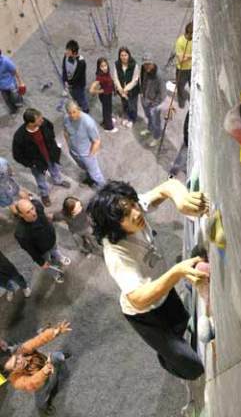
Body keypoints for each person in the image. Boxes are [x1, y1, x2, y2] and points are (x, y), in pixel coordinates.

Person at [90, 178, 209, 380]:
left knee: (183, 325)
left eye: (133, 205)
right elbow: (137, 298)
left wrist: (182, 199)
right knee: (192, 368)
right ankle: (165, 358)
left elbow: (166, 187)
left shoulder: (134, 211)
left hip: (161, 287)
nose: (136, 213)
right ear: (113, 225)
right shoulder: (116, 253)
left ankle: (173, 344)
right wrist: (176, 272)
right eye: (126, 214)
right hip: (144, 313)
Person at [4, 321, 72, 416]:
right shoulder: (15, 380)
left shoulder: (21, 350)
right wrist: (44, 371)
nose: (20, 361)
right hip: (40, 384)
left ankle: (61, 356)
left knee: (55, 356)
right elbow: (30, 383)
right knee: (41, 398)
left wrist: (56, 331)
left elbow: (38, 340)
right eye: (15, 365)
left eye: (17, 358)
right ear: (13, 371)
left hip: (47, 363)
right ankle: (43, 409)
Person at [12, 108, 70, 207]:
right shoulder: (20, 137)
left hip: (50, 155)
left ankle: (58, 181)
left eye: (41, 118)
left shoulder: (43, 122)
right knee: (40, 179)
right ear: (30, 123)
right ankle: (44, 194)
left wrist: (52, 144)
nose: (42, 120)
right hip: (37, 163)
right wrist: (31, 164)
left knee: (54, 169)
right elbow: (17, 155)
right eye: (39, 120)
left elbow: (50, 127)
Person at [14, 199, 71, 284]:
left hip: (51, 240)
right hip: (42, 251)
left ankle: (59, 257)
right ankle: (55, 274)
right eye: (28, 212)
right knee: (48, 265)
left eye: (32, 208)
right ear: (21, 215)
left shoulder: (37, 205)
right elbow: (31, 250)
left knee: (55, 250)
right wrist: (41, 262)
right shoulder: (21, 233)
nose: (33, 213)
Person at [64, 100, 105, 187]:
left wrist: (90, 156)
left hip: (86, 154)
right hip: (74, 152)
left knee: (96, 174)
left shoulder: (88, 122)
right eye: (69, 113)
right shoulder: (66, 118)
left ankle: (103, 189)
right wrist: (69, 145)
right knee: (84, 168)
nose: (72, 115)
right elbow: (66, 131)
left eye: (74, 112)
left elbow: (97, 141)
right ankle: (90, 178)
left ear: (79, 109)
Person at [140, 52, 167, 147]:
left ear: (153, 63)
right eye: (144, 64)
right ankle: (149, 129)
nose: (146, 66)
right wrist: (142, 95)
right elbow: (142, 82)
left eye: (148, 64)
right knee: (148, 117)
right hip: (145, 100)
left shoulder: (159, 75)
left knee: (156, 122)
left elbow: (163, 93)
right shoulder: (144, 70)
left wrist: (154, 104)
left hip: (154, 104)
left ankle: (157, 137)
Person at [90, 57, 118, 133]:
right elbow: (92, 88)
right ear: (99, 67)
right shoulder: (100, 77)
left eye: (105, 65)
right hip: (105, 95)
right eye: (102, 66)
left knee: (108, 109)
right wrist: (99, 91)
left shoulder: (106, 73)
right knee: (107, 110)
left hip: (108, 94)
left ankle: (106, 121)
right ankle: (109, 127)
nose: (104, 68)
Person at [114, 47, 140, 129]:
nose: (123, 57)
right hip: (121, 90)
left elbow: (135, 80)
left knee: (132, 105)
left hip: (132, 90)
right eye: (121, 55)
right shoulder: (117, 64)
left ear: (128, 55)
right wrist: (120, 88)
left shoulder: (134, 65)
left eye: (125, 55)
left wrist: (126, 89)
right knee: (124, 104)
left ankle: (132, 119)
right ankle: (126, 117)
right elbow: (115, 78)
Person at [62, 39, 89, 113]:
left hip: (78, 85)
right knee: (73, 96)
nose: (66, 52)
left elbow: (77, 77)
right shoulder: (66, 56)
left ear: (73, 52)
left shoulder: (81, 62)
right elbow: (64, 67)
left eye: (68, 50)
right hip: (69, 83)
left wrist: (69, 83)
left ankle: (85, 110)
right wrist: (64, 80)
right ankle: (78, 106)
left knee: (81, 97)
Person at [0, 50, 25, 114]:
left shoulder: (6, 61)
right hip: (2, 86)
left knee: (15, 97)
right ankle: (13, 110)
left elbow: (15, 71)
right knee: (7, 100)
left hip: (10, 84)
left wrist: (21, 83)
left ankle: (20, 103)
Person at [175, 22, 193, 109]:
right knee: (180, 87)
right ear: (188, 33)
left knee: (193, 86)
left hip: (192, 68)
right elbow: (181, 60)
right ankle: (181, 103)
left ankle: (193, 101)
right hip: (182, 70)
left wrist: (186, 56)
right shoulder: (180, 41)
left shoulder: (195, 40)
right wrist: (192, 56)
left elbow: (184, 57)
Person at [168, 110, 189, 177]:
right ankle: (173, 174)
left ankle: (174, 172)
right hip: (188, 141)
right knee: (181, 157)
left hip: (189, 140)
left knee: (182, 157)